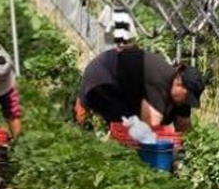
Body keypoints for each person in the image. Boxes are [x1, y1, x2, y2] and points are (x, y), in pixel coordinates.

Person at [75, 45, 205, 133]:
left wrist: (183, 146)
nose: (186, 103)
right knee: (127, 131)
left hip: (124, 83)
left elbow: (183, 125)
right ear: (178, 83)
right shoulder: (158, 82)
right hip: (104, 80)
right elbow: (148, 125)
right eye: (186, 98)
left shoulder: (178, 92)